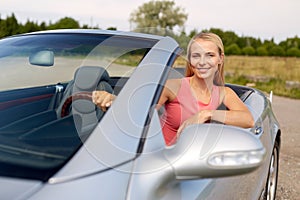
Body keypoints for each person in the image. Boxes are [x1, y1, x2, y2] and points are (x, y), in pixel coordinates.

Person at [92, 32, 254, 146]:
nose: (202, 62)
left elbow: (248, 120)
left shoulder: (224, 93)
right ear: (190, 60)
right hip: (165, 164)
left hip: (197, 164)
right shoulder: (173, 86)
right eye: (196, 55)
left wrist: (206, 114)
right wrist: (114, 101)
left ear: (220, 59)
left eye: (210, 55)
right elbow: (140, 110)